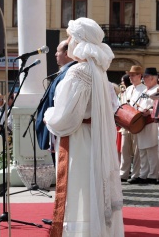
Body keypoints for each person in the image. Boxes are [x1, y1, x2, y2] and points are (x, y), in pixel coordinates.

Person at [44, 17, 124, 236]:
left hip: (79, 140)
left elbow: (66, 117)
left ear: (79, 40)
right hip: (92, 138)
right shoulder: (97, 70)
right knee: (91, 190)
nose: (68, 41)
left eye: (70, 37)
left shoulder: (78, 71)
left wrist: (49, 115)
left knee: (79, 190)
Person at [36, 39, 76, 166]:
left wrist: (51, 117)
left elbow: (63, 103)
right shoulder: (64, 71)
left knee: (62, 167)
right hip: (54, 127)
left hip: (60, 128)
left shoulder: (71, 72)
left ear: (66, 53)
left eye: (58, 51)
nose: (55, 54)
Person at [132, 67, 159, 184]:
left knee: (151, 150)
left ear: (153, 78)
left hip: (151, 122)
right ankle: (143, 174)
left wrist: (149, 111)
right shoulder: (145, 91)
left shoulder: (158, 90)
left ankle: (153, 175)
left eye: (146, 77)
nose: (144, 79)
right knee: (142, 150)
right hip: (141, 123)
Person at [120, 66, 146, 183]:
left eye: (133, 75)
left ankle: (136, 174)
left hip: (137, 122)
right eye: (130, 75)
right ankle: (123, 173)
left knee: (137, 151)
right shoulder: (128, 89)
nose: (130, 77)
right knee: (124, 149)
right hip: (126, 122)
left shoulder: (144, 89)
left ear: (140, 76)